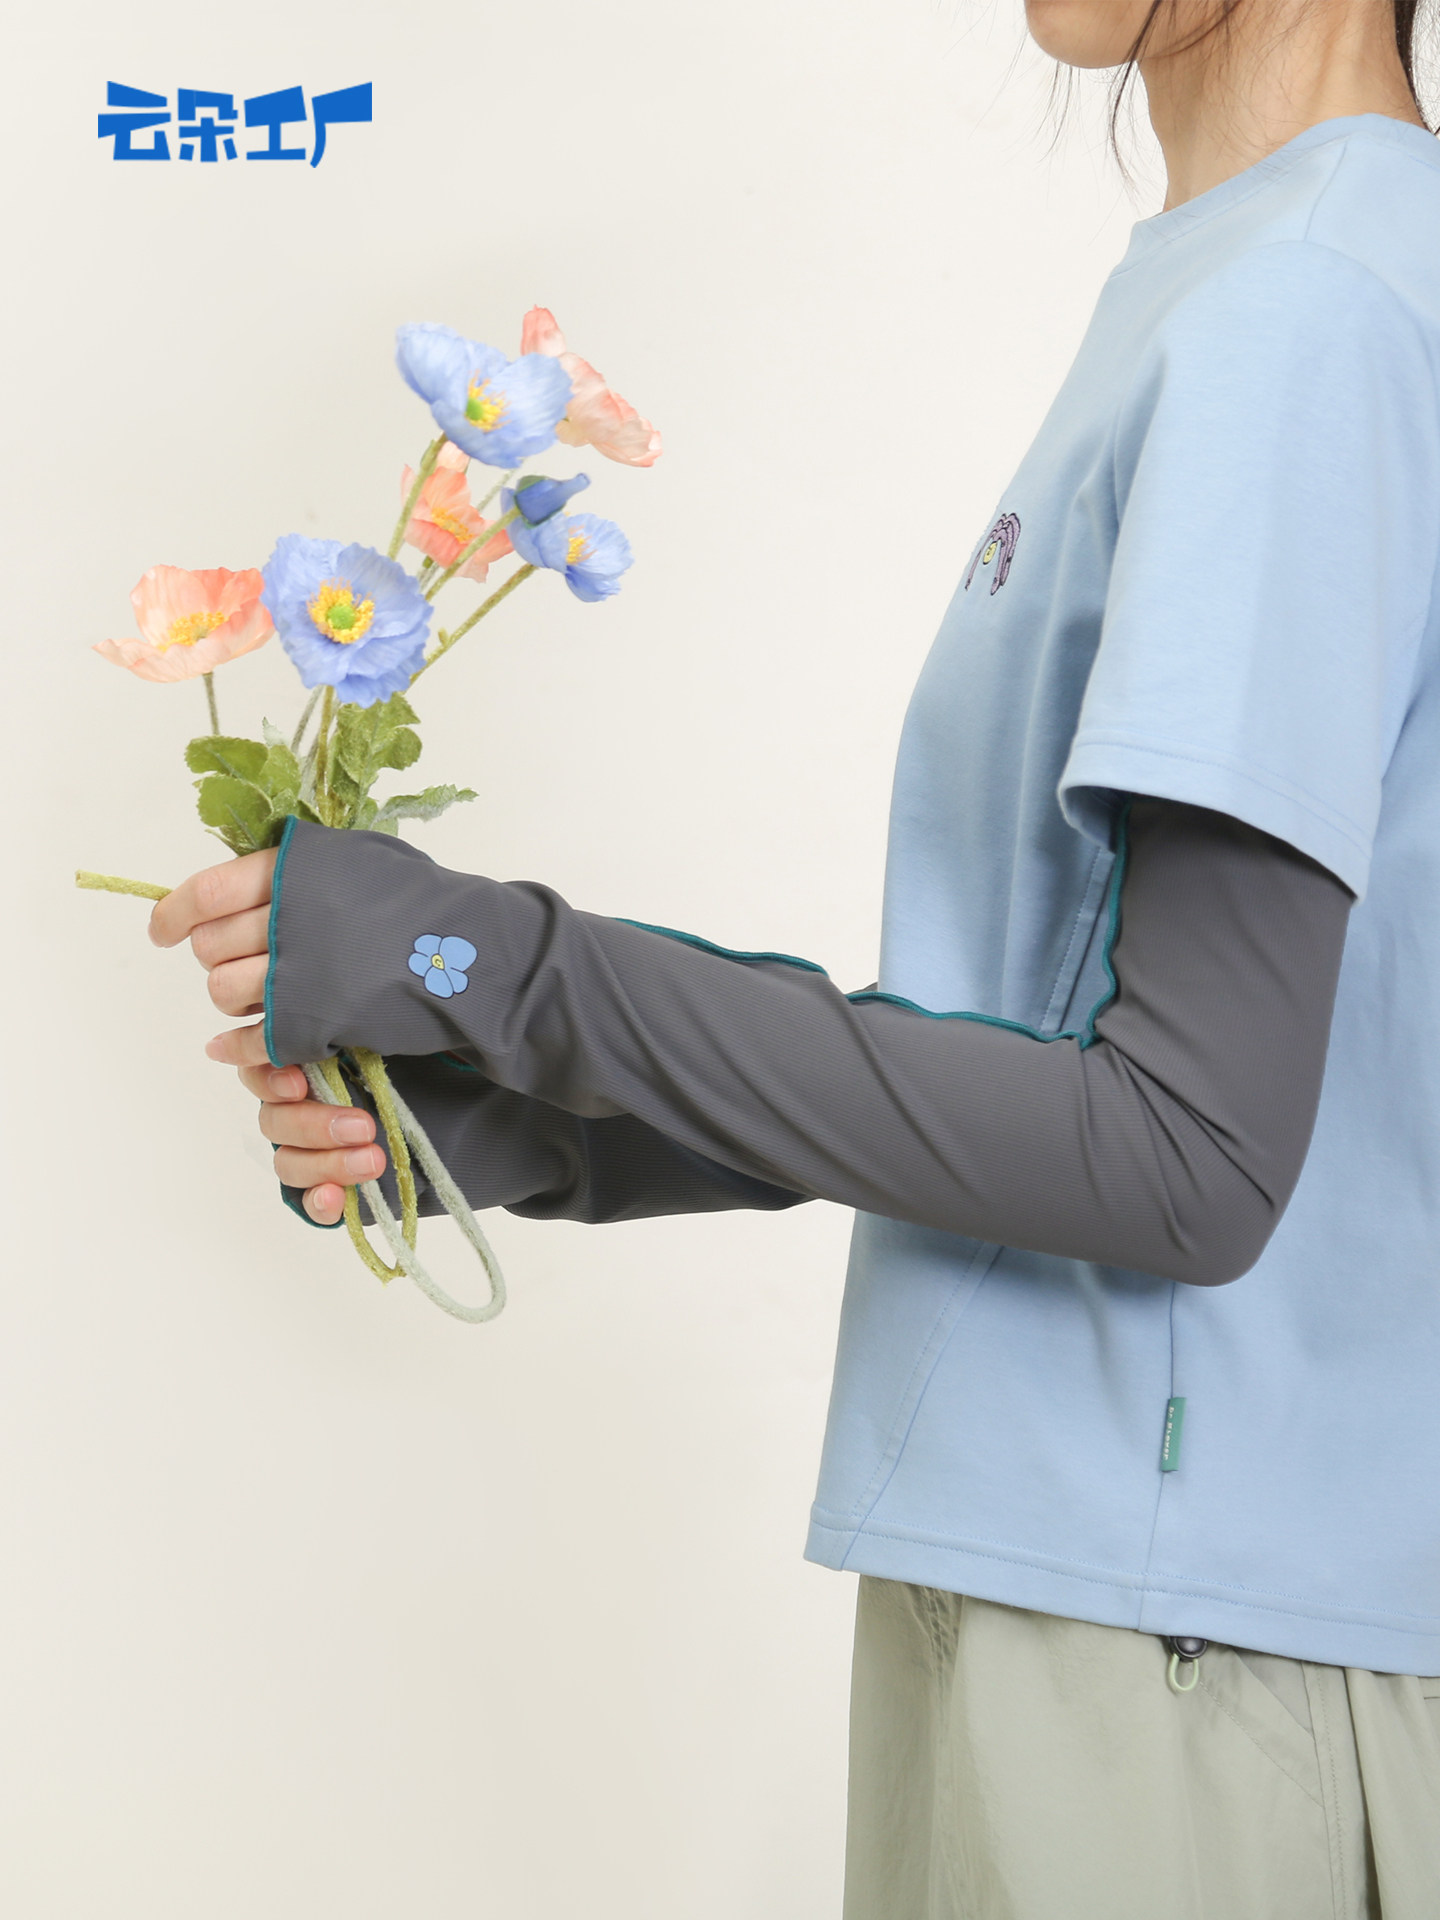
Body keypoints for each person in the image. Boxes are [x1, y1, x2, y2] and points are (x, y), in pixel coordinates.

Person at [149, 0, 1440, 1912]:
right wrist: (519, 1111)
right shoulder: (1244, 278)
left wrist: (493, 966)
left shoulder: (1307, 306)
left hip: (1173, 1642)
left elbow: (1186, 1155)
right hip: (1087, 1593)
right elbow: (1034, 1039)